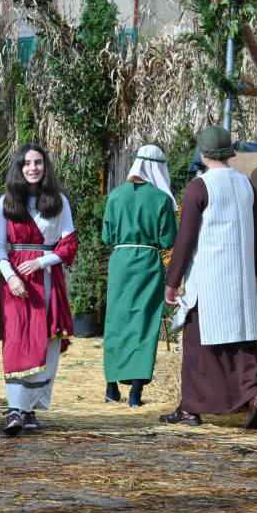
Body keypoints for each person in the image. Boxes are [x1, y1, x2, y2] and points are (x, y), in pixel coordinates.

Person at [160, 125, 257, 429]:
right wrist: (252, 273)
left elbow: (185, 240)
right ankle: (255, 396)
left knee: (197, 345)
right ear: (228, 152)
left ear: (203, 153)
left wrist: (172, 282)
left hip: (209, 281)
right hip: (241, 281)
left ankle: (190, 410)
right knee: (242, 343)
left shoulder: (199, 187)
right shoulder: (246, 184)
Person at [0, 144, 77, 433]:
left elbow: (69, 244)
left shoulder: (58, 201)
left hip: (48, 277)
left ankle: (29, 409)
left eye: (38, 162)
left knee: (45, 339)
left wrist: (42, 261)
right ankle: (14, 409)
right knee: (17, 340)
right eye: (27, 163)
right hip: (15, 280)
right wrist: (10, 277)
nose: (33, 168)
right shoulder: (5, 201)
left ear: (45, 166)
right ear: (18, 168)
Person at [102, 146, 178, 407]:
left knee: (116, 321)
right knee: (144, 322)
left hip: (120, 263)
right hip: (148, 263)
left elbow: (107, 237)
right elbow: (168, 240)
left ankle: (111, 389)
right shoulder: (161, 199)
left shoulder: (115, 195)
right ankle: (135, 394)